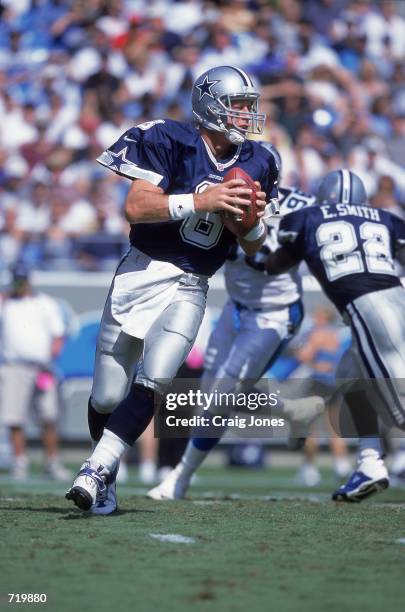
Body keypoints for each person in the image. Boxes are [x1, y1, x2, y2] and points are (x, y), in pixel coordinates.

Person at [66, 65, 279, 514]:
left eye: (248, 107)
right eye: (237, 106)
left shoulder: (261, 160)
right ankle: (106, 478)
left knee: (157, 377)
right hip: (141, 273)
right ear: (209, 104)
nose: (246, 116)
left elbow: (258, 244)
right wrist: (203, 201)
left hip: (192, 282)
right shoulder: (168, 138)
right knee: (106, 394)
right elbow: (136, 207)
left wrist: (250, 222)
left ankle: (96, 468)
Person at [148, 146, 325, 501]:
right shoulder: (224, 194)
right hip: (236, 306)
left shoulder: (301, 207)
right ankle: (292, 409)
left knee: (222, 396)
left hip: (273, 313)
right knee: (213, 389)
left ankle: (179, 478)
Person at [266, 168, 405, 501]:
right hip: (395, 300)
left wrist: (252, 245)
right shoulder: (385, 218)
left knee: (400, 413)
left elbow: (276, 264)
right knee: (347, 370)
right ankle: (370, 463)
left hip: (369, 308)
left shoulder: (307, 217)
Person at [0, 263, 69, 480]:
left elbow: (58, 335)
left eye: (23, 280)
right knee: (14, 417)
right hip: (14, 366)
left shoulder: (45, 304)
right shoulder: (5, 304)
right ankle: (19, 461)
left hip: (42, 368)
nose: (20, 285)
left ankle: (52, 461)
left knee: (48, 416)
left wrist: (50, 359)